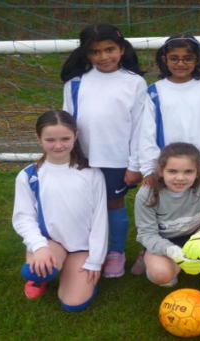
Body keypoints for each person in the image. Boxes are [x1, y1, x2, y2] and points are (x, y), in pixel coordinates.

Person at [132, 34, 200, 275]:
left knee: (195, 203)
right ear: (164, 59)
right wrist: (151, 169)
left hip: (195, 166)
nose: (181, 63)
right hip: (166, 167)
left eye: (187, 58)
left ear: (198, 59)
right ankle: (153, 248)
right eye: (174, 58)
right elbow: (147, 133)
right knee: (160, 204)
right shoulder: (155, 91)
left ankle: (196, 246)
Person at [61, 24, 148, 278]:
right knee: (82, 206)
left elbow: (139, 127)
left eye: (109, 49)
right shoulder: (75, 84)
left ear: (121, 49)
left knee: (113, 203)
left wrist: (135, 165)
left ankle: (116, 252)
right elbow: (67, 122)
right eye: (95, 52)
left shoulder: (134, 83)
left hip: (117, 159)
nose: (103, 57)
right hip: (82, 159)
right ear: (86, 55)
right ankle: (86, 250)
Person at [12, 110, 108, 312]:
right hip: (51, 244)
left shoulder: (92, 174)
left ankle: (73, 272)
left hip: (81, 248)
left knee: (73, 303)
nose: (58, 145)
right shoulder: (29, 176)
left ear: (76, 136)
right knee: (35, 271)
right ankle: (40, 277)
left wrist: (95, 261)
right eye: (50, 139)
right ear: (39, 138)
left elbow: (100, 220)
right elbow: (23, 218)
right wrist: (39, 246)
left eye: (65, 138)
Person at [135, 143, 200, 307]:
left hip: (197, 235)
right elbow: (146, 234)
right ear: (160, 170)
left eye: (188, 171)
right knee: (163, 276)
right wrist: (171, 251)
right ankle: (165, 265)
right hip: (166, 241)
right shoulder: (147, 193)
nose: (180, 178)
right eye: (172, 171)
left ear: (197, 171)